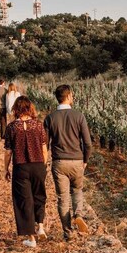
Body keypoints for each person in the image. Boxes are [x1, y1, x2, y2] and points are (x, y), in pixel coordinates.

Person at [43, 84, 93, 241]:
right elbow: (88, 143)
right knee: (77, 190)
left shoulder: (50, 118)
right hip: (77, 160)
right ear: (69, 96)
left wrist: (44, 163)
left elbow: (45, 143)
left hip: (59, 162)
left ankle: (68, 232)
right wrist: (85, 160)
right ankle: (78, 214)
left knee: (62, 198)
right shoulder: (79, 116)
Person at [4, 96, 48, 248]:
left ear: (16, 109)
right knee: (39, 196)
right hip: (38, 165)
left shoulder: (11, 128)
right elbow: (44, 147)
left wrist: (6, 169)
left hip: (21, 167)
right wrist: (44, 164)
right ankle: (41, 226)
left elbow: (8, 151)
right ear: (30, 108)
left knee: (24, 200)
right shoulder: (38, 125)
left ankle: (31, 238)